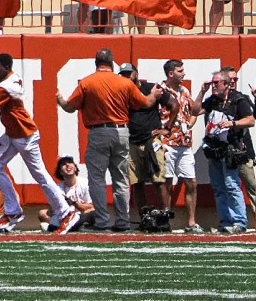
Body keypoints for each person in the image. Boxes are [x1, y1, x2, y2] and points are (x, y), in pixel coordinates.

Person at [0, 49, 80, 234]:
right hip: (12, 134)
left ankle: (66, 212)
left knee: (40, 175)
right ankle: (13, 211)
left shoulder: (5, 88)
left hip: (25, 136)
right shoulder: (7, 77)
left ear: (6, 68)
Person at [56, 48, 164, 231]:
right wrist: (154, 94)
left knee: (97, 178)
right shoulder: (123, 82)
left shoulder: (87, 82)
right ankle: (123, 221)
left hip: (98, 131)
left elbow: (69, 107)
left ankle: (102, 221)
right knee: (120, 178)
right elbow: (146, 103)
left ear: (96, 63)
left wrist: (59, 99)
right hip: (121, 131)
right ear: (112, 63)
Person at [201, 70, 256, 234]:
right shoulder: (212, 100)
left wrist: (232, 123)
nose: (213, 86)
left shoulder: (238, 100)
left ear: (226, 84)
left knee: (232, 185)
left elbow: (251, 120)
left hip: (231, 148)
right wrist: (201, 92)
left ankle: (239, 221)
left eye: (216, 83)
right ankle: (225, 221)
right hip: (214, 149)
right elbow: (195, 110)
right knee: (218, 187)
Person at [120, 63, 172, 224]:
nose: (126, 77)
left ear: (136, 73)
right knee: (137, 182)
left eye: (129, 73)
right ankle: (145, 218)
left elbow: (174, 104)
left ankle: (164, 217)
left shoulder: (151, 87)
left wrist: (167, 128)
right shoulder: (121, 92)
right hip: (132, 141)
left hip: (151, 140)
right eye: (123, 74)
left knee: (158, 180)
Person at [158, 60, 203, 233]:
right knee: (167, 182)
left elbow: (195, 110)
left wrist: (189, 124)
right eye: (180, 71)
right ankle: (165, 219)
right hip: (168, 142)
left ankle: (191, 222)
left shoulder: (184, 91)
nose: (183, 73)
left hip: (184, 143)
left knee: (191, 182)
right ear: (171, 73)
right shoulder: (160, 90)